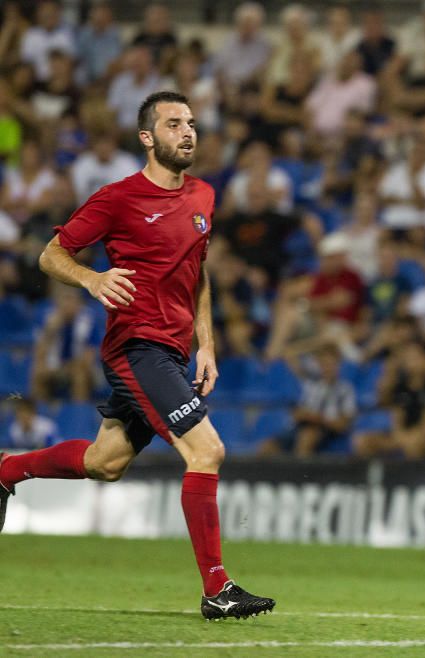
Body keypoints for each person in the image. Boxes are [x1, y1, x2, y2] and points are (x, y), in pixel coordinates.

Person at [0, 91, 275, 619]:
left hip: (173, 352)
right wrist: (91, 277)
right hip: (136, 347)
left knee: (105, 463)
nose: (188, 132)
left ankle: (8, 470)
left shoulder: (203, 197)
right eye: (174, 124)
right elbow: (50, 254)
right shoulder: (118, 198)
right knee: (207, 451)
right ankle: (217, 588)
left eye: (192, 123)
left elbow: (198, 274)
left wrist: (208, 345)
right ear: (148, 138)